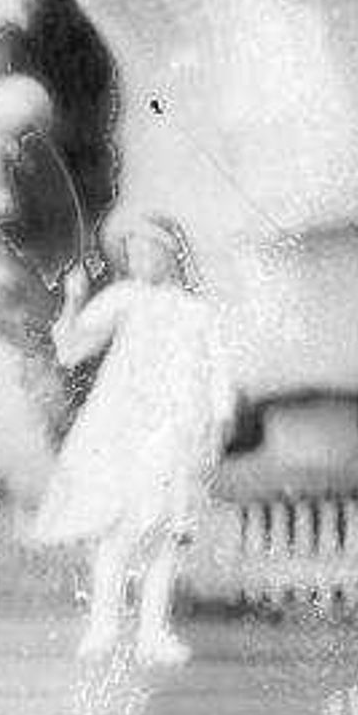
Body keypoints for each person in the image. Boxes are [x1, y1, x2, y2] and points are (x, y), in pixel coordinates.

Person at [28, 213, 237, 668]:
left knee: (164, 532)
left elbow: (218, 370)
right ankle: (103, 626)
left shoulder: (198, 312)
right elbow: (71, 348)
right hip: (125, 428)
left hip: (176, 431)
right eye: (134, 251)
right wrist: (74, 299)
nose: (139, 258)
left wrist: (219, 421)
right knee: (117, 528)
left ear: (171, 254)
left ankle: (153, 633)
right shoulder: (124, 299)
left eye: (149, 250)